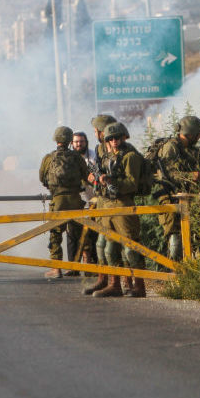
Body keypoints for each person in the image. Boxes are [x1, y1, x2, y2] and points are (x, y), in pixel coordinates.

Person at [155, 115, 200, 261]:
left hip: (190, 200)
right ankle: (177, 278)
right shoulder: (170, 147)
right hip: (170, 198)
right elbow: (167, 174)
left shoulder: (193, 152)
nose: (199, 137)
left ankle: (193, 276)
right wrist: (190, 176)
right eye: (198, 134)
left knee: (196, 238)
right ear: (189, 133)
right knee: (176, 242)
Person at [91, 122, 146, 298]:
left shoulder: (130, 157)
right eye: (110, 138)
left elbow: (131, 184)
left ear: (124, 137)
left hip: (122, 204)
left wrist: (112, 181)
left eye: (117, 137)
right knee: (109, 248)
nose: (114, 141)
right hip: (106, 204)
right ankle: (115, 285)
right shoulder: (106, 157)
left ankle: (139, 285)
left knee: (130, 247)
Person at [39, 126, 89, 279]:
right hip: (75, 199)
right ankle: (87, 264)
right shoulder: (77, 157)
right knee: (81, 232)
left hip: (58, 200)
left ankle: (57, 268)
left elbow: (42, 177)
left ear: (56, 139)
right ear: (69, 140)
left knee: (55, 234)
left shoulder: (49, 158)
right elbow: (86, 175)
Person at [82, 114, 117, 295]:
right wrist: (94, 178)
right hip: (103, 200)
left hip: (117, 202)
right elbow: (100, 171)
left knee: (118, 245)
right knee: (101, 244)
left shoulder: (118, 149)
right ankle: (103, 280)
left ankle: (120, 283)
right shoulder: (101, 149)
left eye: (96, 131)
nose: (95, 134)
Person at [72, 131, 100, 269]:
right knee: (76, 233)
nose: (79, 144)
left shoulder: (93, 155)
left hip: (93, 199)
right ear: (72, 143)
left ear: (86, 142)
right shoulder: (70, 157)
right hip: (77, 199)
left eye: (81, 141)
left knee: (94, 231)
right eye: (76, 142)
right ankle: (76, 265)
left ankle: (93, 262)